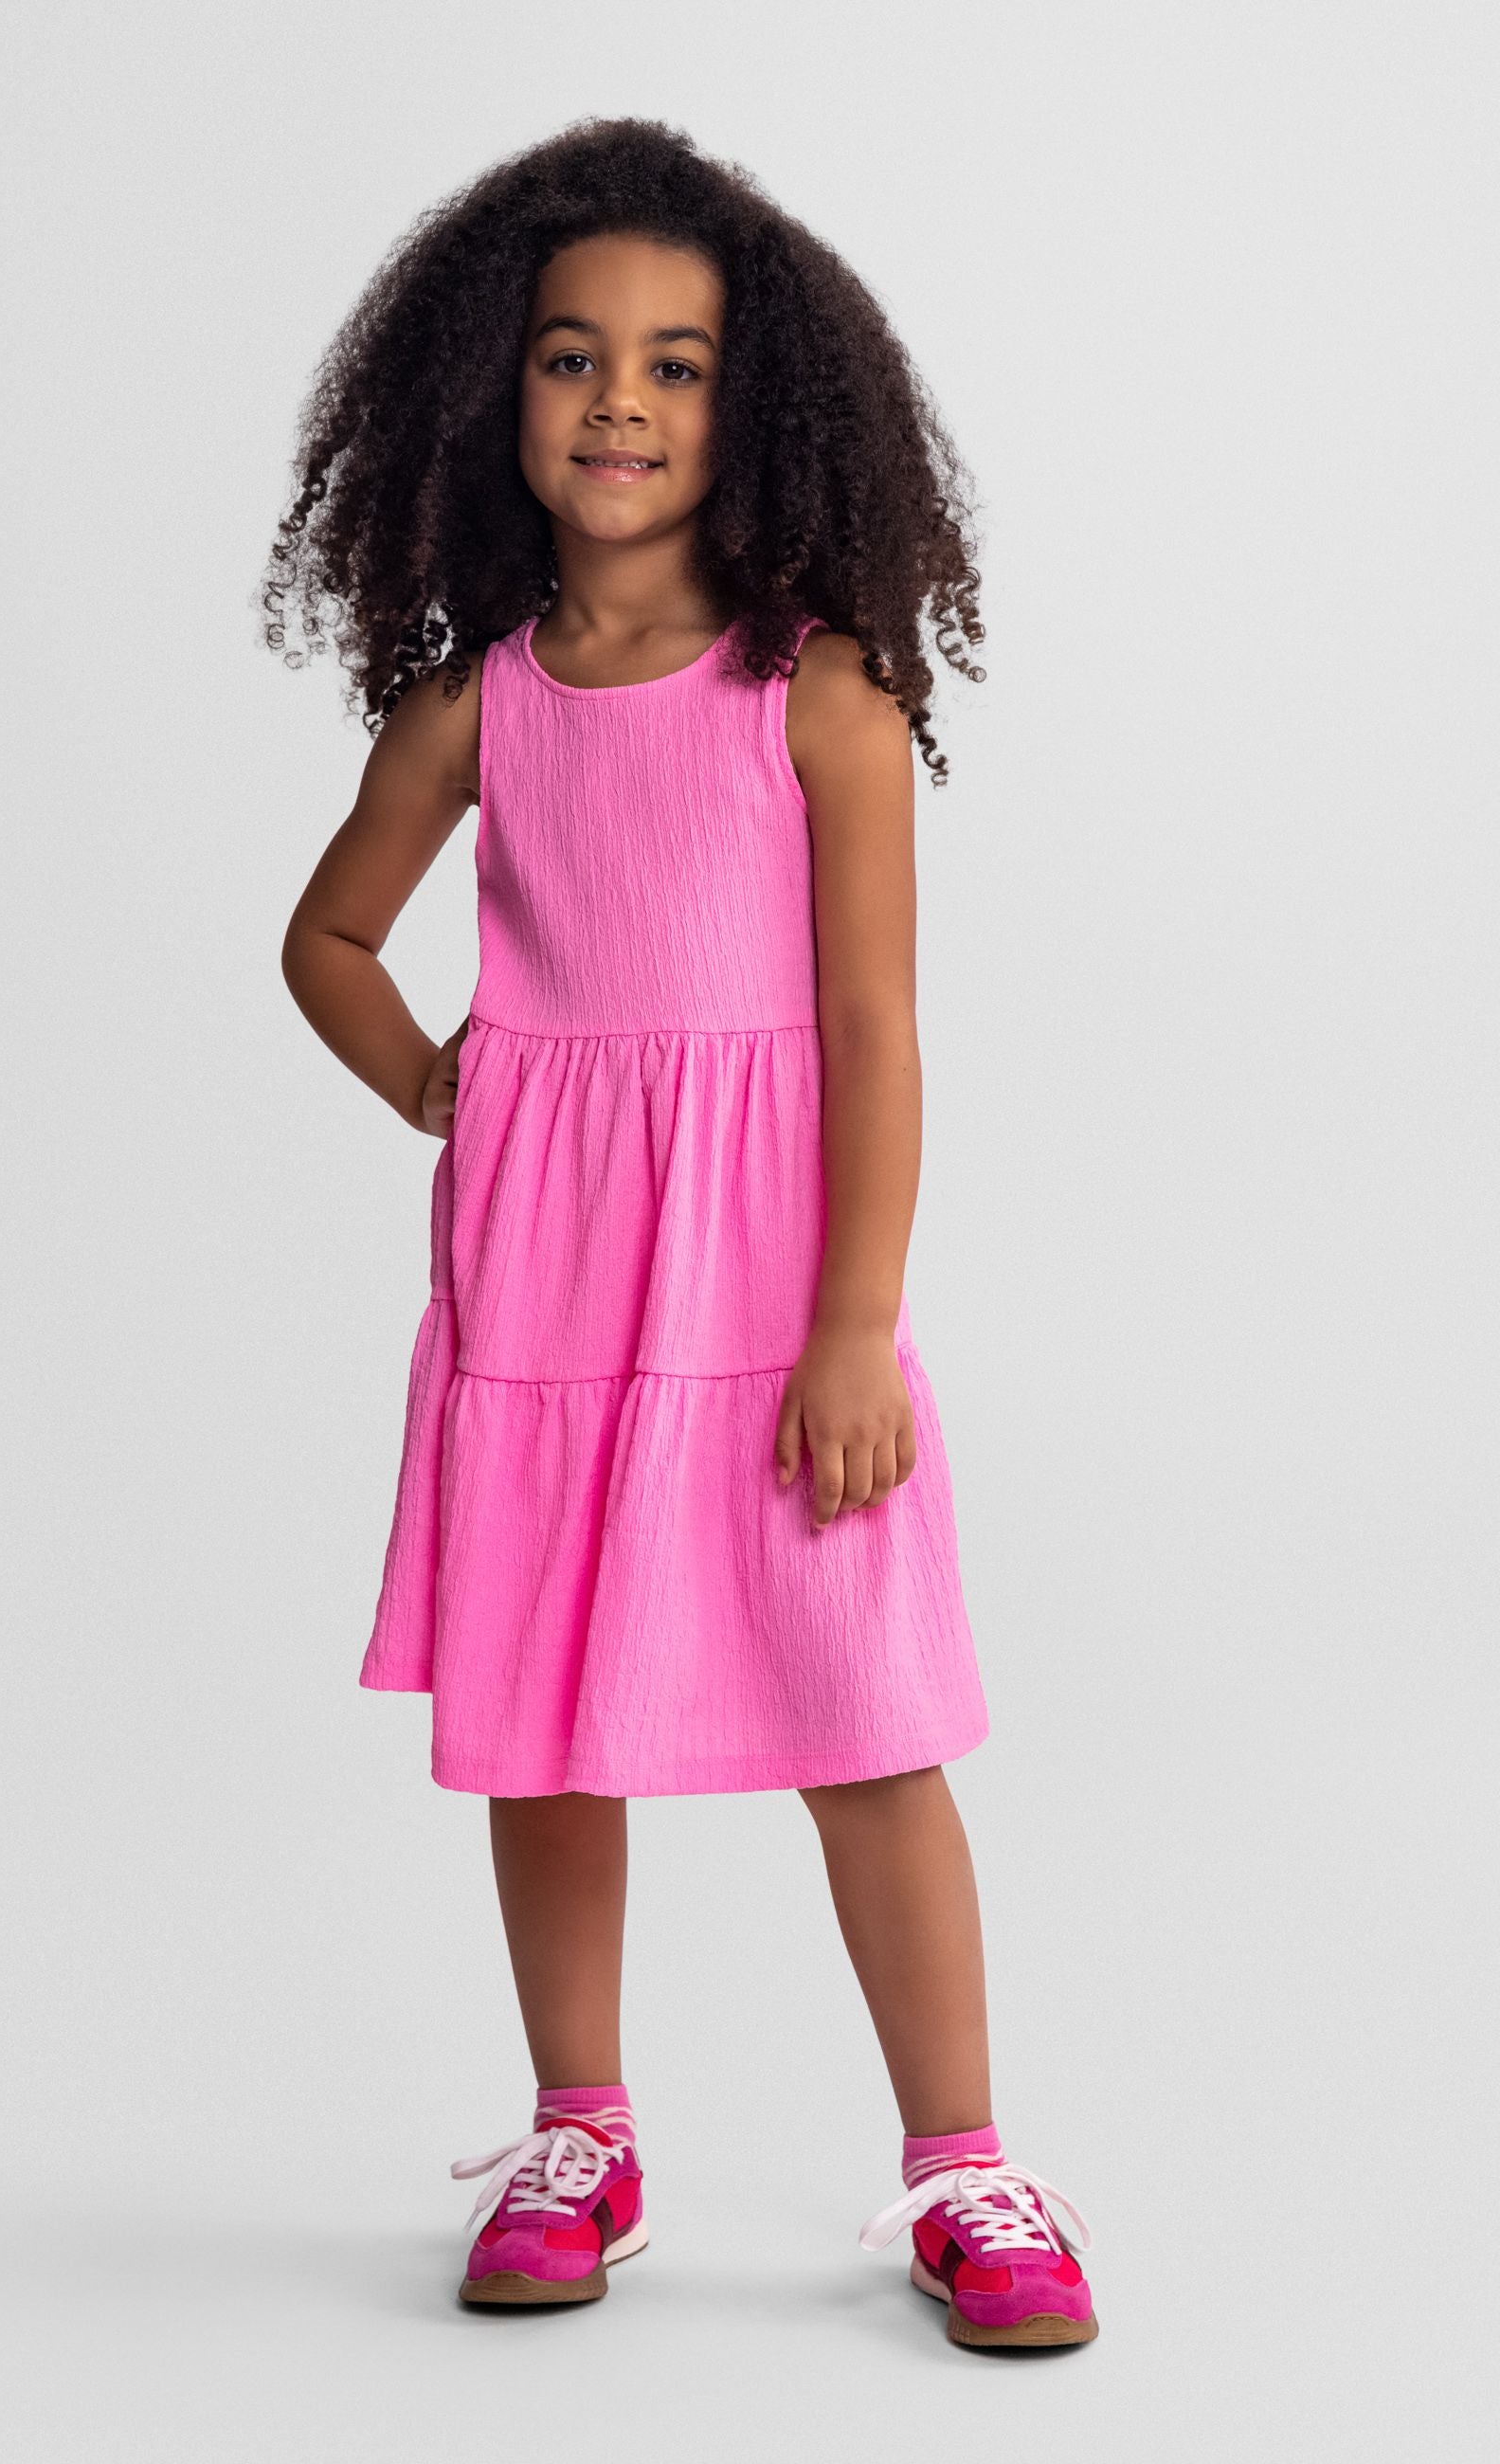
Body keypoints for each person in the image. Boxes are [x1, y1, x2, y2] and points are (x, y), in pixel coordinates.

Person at [268, 116, 1096, 2350]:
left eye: (677, 364)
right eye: (572, 357)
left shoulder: (819, 696)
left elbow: (873, 1030)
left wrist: (856, 1323)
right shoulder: (478, 706)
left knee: (868, 1725)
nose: (619, 401)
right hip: (543, 1299)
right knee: (550, 1730)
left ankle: (967, 2164)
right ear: (495, 394)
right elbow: (327, 939)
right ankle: (581, 2131)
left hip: (769, 1297)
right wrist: (440, 1080)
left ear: (761, 408)